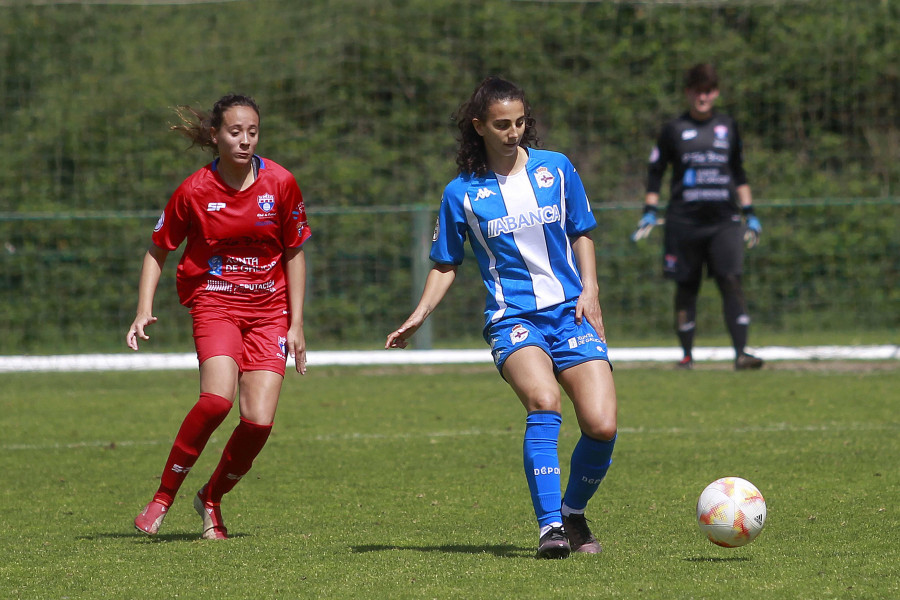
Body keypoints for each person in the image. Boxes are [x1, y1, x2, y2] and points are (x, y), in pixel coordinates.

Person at [386, 77, 617, 559]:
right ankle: (550, 528)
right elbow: (446, 263)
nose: (513, 133)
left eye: (519, 123)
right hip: (513, 319)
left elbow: (582, 231)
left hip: (570, 311)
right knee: (543, 399)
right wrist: (419, 314)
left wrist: (591, 291)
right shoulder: (462, 193)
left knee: (601, 425)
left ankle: (573, 514)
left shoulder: (556, 169)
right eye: (501, 125)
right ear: (479, 127)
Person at [126, 93, 311, 540]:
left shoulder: (281, 183)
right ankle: (163, 496)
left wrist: (297, 322)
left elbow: (295, 252)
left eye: (252, 132)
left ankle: (211, 497)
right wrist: (143, 308)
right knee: (216, 400)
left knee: (259, 421)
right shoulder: (194, 190)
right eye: (235, 132)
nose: (245, 140)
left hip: (270, 311)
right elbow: (158, 248)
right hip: (216, 302)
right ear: (216, 135)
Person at [633, 63, 764, 371]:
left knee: (731, 281)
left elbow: (739, 173)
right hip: (684, 222)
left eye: (708, 91)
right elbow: (656, 173)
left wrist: (751, 214)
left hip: (724, 222)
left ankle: (742, 353)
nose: (702, 97)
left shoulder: (728, 126)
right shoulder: (674, 129)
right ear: (688, 93)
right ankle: (687, 356)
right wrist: (650, 211)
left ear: (715, 93)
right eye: (696, 91)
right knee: (686, 286)